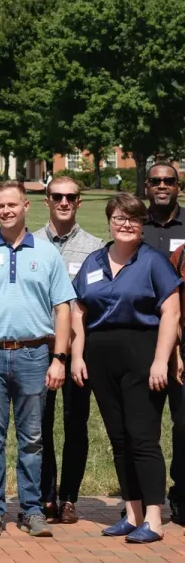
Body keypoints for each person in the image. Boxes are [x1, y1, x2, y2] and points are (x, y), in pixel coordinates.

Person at [0, 180, 75, 538]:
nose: (6, 211)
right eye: (0, 206)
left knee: (33, 438)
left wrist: (59, 358)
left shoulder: (46, 253)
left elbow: (63, 309)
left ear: (26, 206)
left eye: (12, 205)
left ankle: (31, 509)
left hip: (34, 355)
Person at [72, 193, 181, 544]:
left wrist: (161, 360)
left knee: (143, 437)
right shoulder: (92, 262)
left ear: (142, 224)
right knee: (118, 438)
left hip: (141, 353)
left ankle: (154, 517)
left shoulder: (154, 262)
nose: (126, 224)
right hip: (100, 356)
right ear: (109, 221)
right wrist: (76, 356)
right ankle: (132, 512)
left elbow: (172, 313)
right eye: (119, 218)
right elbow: (78, 311)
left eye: (134, 219)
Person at [35, 177, 102, 524]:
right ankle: (46, 496)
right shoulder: (28, 243)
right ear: (47, 200)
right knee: (39, 425)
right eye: (57, 196)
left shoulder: (96, 248)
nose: (63, 201)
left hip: (78, 351)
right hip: (38, 349)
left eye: (70, 197)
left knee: (76, 424)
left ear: (79, 202)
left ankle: (70, 497)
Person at [142, 161, 185, 523]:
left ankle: (181, 492)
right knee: (144, 424)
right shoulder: (133, 227)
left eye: (168, 180)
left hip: (182, 343)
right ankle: (145, 495)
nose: (162, 185)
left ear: (178, 186)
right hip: (144, 340)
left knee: (183, 423)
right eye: (156, 181)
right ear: (146, 186)